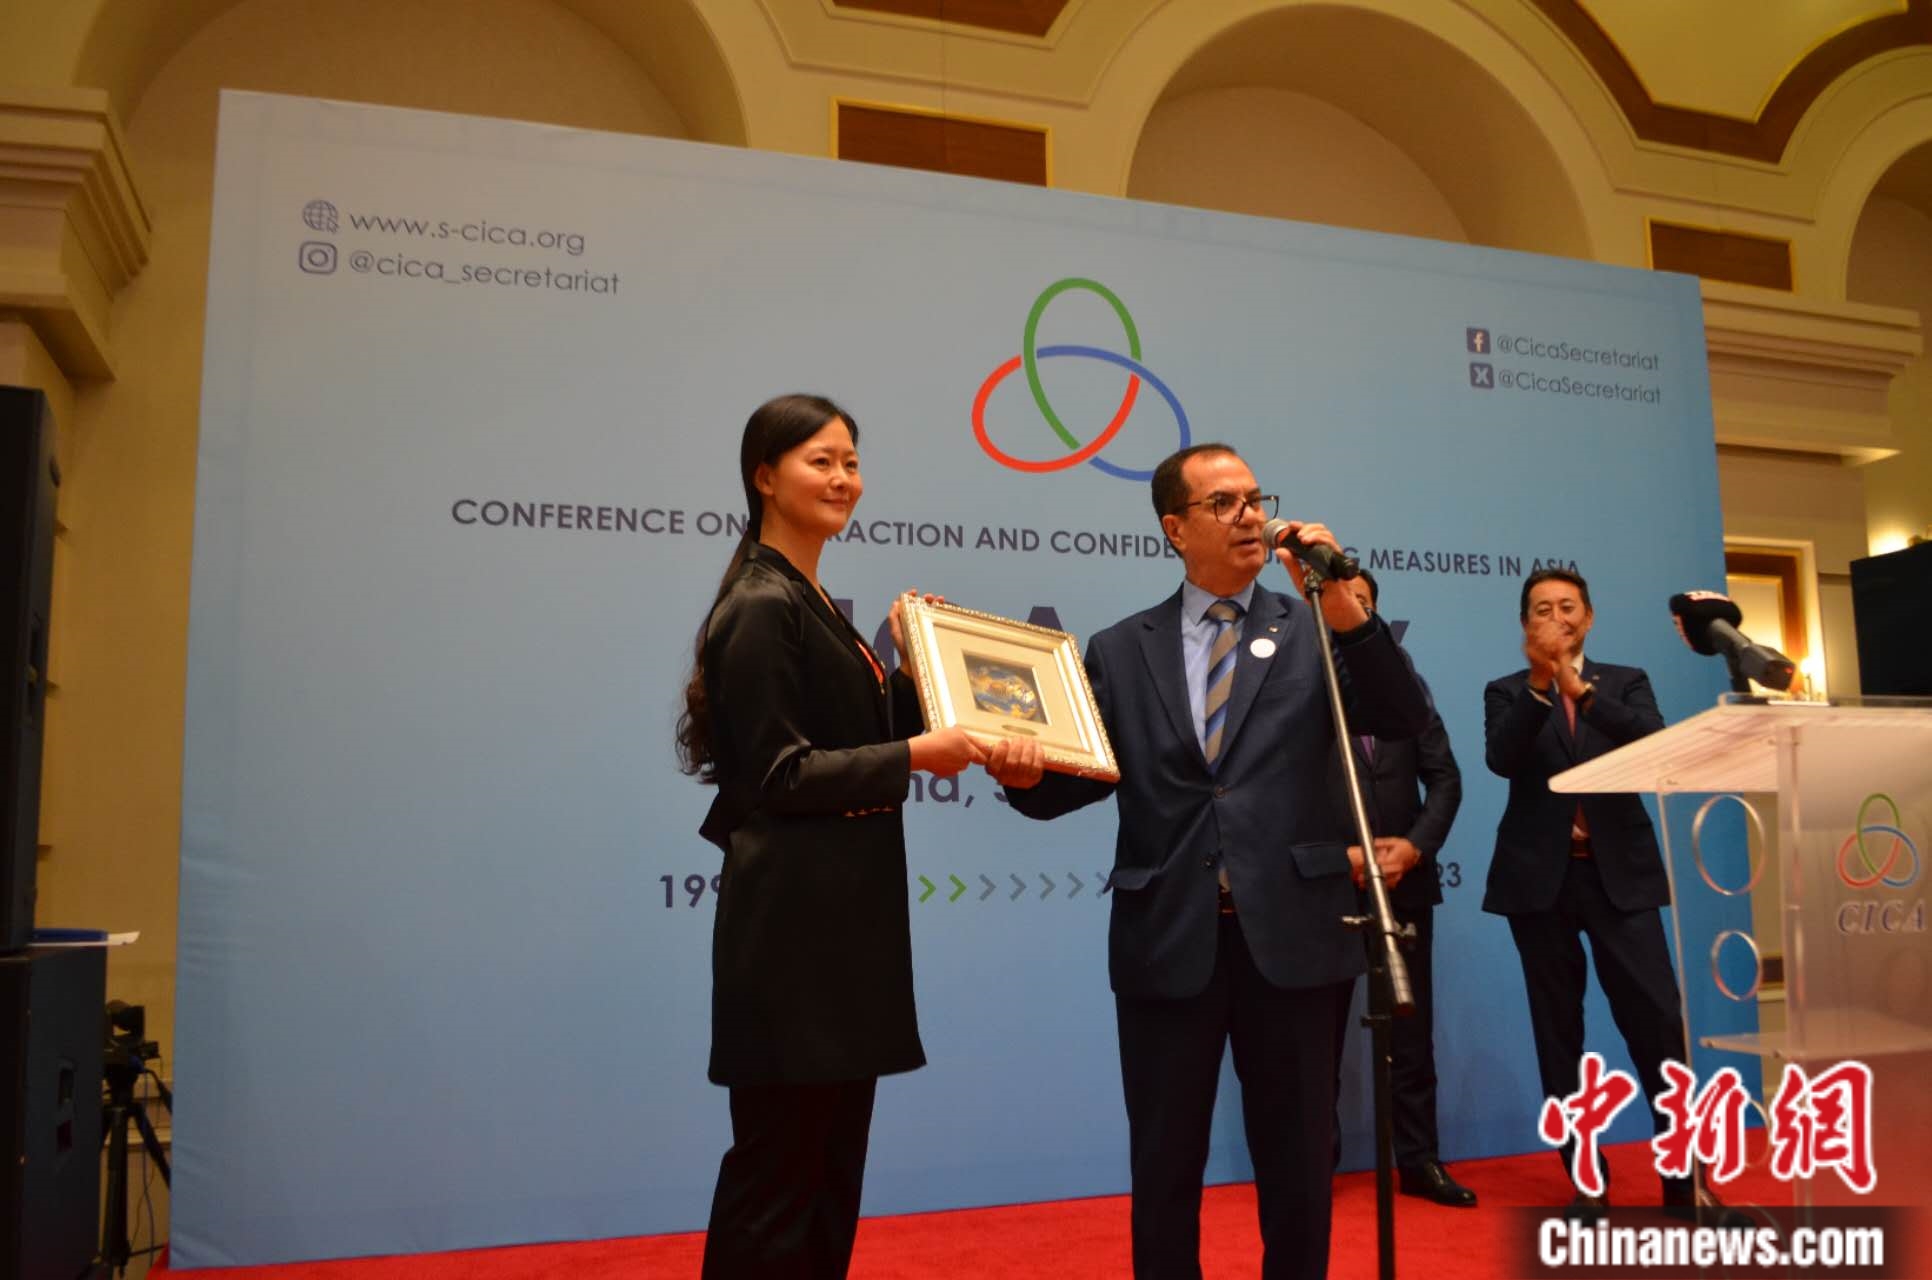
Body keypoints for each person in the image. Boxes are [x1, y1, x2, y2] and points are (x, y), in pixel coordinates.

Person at [987, 443, 1430, 1280]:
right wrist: (1021, 776)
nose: (1249, 516)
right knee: (1164, 1165)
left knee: (1300, 1162)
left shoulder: (1315, 627)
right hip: (1169, 933)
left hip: (1294, 935)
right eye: (1223, 504)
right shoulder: (1122, 648)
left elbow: (1403, 716)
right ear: (1175, 528)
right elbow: (1071, 786)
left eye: (1255, 499)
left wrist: (1348, 610)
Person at [676, 393, 986, 1279]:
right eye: (821, 460)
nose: (844, 478)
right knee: (779, 1185)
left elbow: (850, 733)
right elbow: (776, 776)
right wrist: (917, 755)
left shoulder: (805, 597)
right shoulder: (761, 603)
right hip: (794, 947)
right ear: (764, 477)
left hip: (840, 937)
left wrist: (915, 661)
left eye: (851, 461)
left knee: (826, 1182)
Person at [1481, 568, 1707, 1213]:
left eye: (1567, 606)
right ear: (1526, 624)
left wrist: (1581, 689)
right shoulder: (1507, 691)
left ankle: (1683, 1181)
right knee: (1560, 1035)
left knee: (1659, 1026)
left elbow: (1654, 747)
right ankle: (1587, 1180)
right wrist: (1543, 684)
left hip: (1621, 877)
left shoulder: (1626, 681)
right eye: (1542, 609)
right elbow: (1502, 758)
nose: (1556, 617)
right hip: (1540, 882)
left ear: (1589, 617)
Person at [1326, 570, 1476, 1208]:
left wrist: (1412, 848)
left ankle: (1418, 1161)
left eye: (1362, 603)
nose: (1351, 609)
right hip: (1327, 886)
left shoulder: (1408, 690)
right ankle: (1314, 1165)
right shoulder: (1300, 688)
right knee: (1316, 1036)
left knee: (1411, 1034)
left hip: (1405, 883)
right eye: (1340, 601)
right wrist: (1337, 857)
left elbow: (1445, 779)